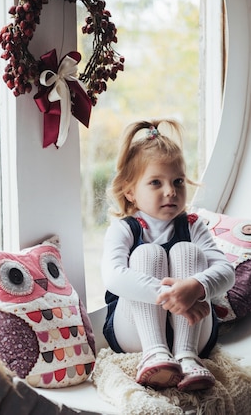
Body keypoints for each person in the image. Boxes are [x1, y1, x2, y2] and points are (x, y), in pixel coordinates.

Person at [101, 119, 235, 392]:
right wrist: (171, 297)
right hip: (134, 334)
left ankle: (187, 356)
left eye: (178, 181)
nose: (171, 191)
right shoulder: (123, 229)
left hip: (195, 333)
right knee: (147, 254)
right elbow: (113, 277)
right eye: (155, 183)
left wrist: (195, 288)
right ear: (130, 192)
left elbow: (226, 272)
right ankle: (155, 353)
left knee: (187, 251)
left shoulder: (193, 225)